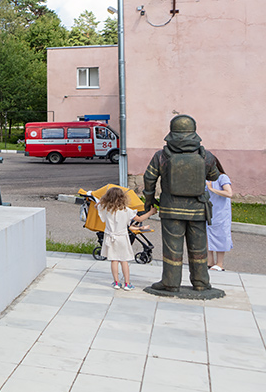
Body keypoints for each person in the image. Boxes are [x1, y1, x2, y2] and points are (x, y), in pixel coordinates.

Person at [143, 114, 221, 293]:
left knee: (172, 248)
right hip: (198, 209)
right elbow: (214, 176)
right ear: (194, 132)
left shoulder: (162, 155)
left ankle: (170, 282)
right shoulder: (206, 155)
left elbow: (149, 178)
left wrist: (149, 201)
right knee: (199, 248)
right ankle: (201, 282)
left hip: (171, 209)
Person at [96, 186, 154, 290]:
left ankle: (116, 282)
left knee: (114, 260)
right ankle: (127, 284)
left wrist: (102, 201)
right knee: (124, 260)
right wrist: (151, 212)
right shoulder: (126, 210)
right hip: (122, 238)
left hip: (110, 237)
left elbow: (97, 206)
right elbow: (140, 218)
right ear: (123, 198)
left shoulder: (106, 209)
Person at [206, 157, 233, 271]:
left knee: (221, 236)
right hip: (209, 212)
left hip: (221, 213)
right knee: (208, 236)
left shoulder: (222, 177)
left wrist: (212, 190)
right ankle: (210, 261)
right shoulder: (206, 179)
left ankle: (220, 264)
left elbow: (229, 193)